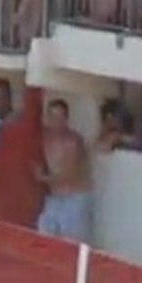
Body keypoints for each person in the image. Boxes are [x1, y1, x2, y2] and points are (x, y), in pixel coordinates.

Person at [34, 99, 92, 244]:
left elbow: (69, 174)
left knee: (72, 244)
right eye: (52, 117)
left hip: (74, 198)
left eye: (60, 117)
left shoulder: (73, 141)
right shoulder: (44, 138)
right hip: (55, 197)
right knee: (44, 233)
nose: (56, 122)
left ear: (66, 119)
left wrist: (43, 178)